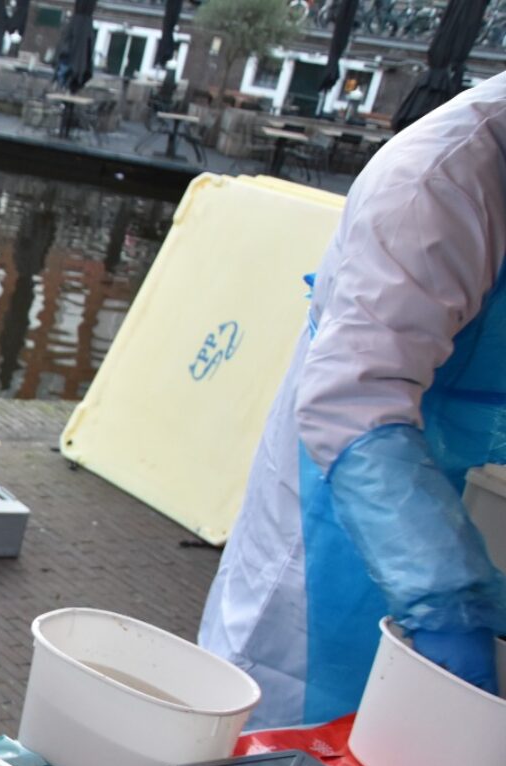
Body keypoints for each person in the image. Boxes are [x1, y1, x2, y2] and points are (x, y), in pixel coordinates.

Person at [201, 73, 506, 729]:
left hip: (473, 486)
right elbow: (357, 397)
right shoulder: (442, 175)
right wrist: (447, 599)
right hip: (346, 499)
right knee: (280, 744)